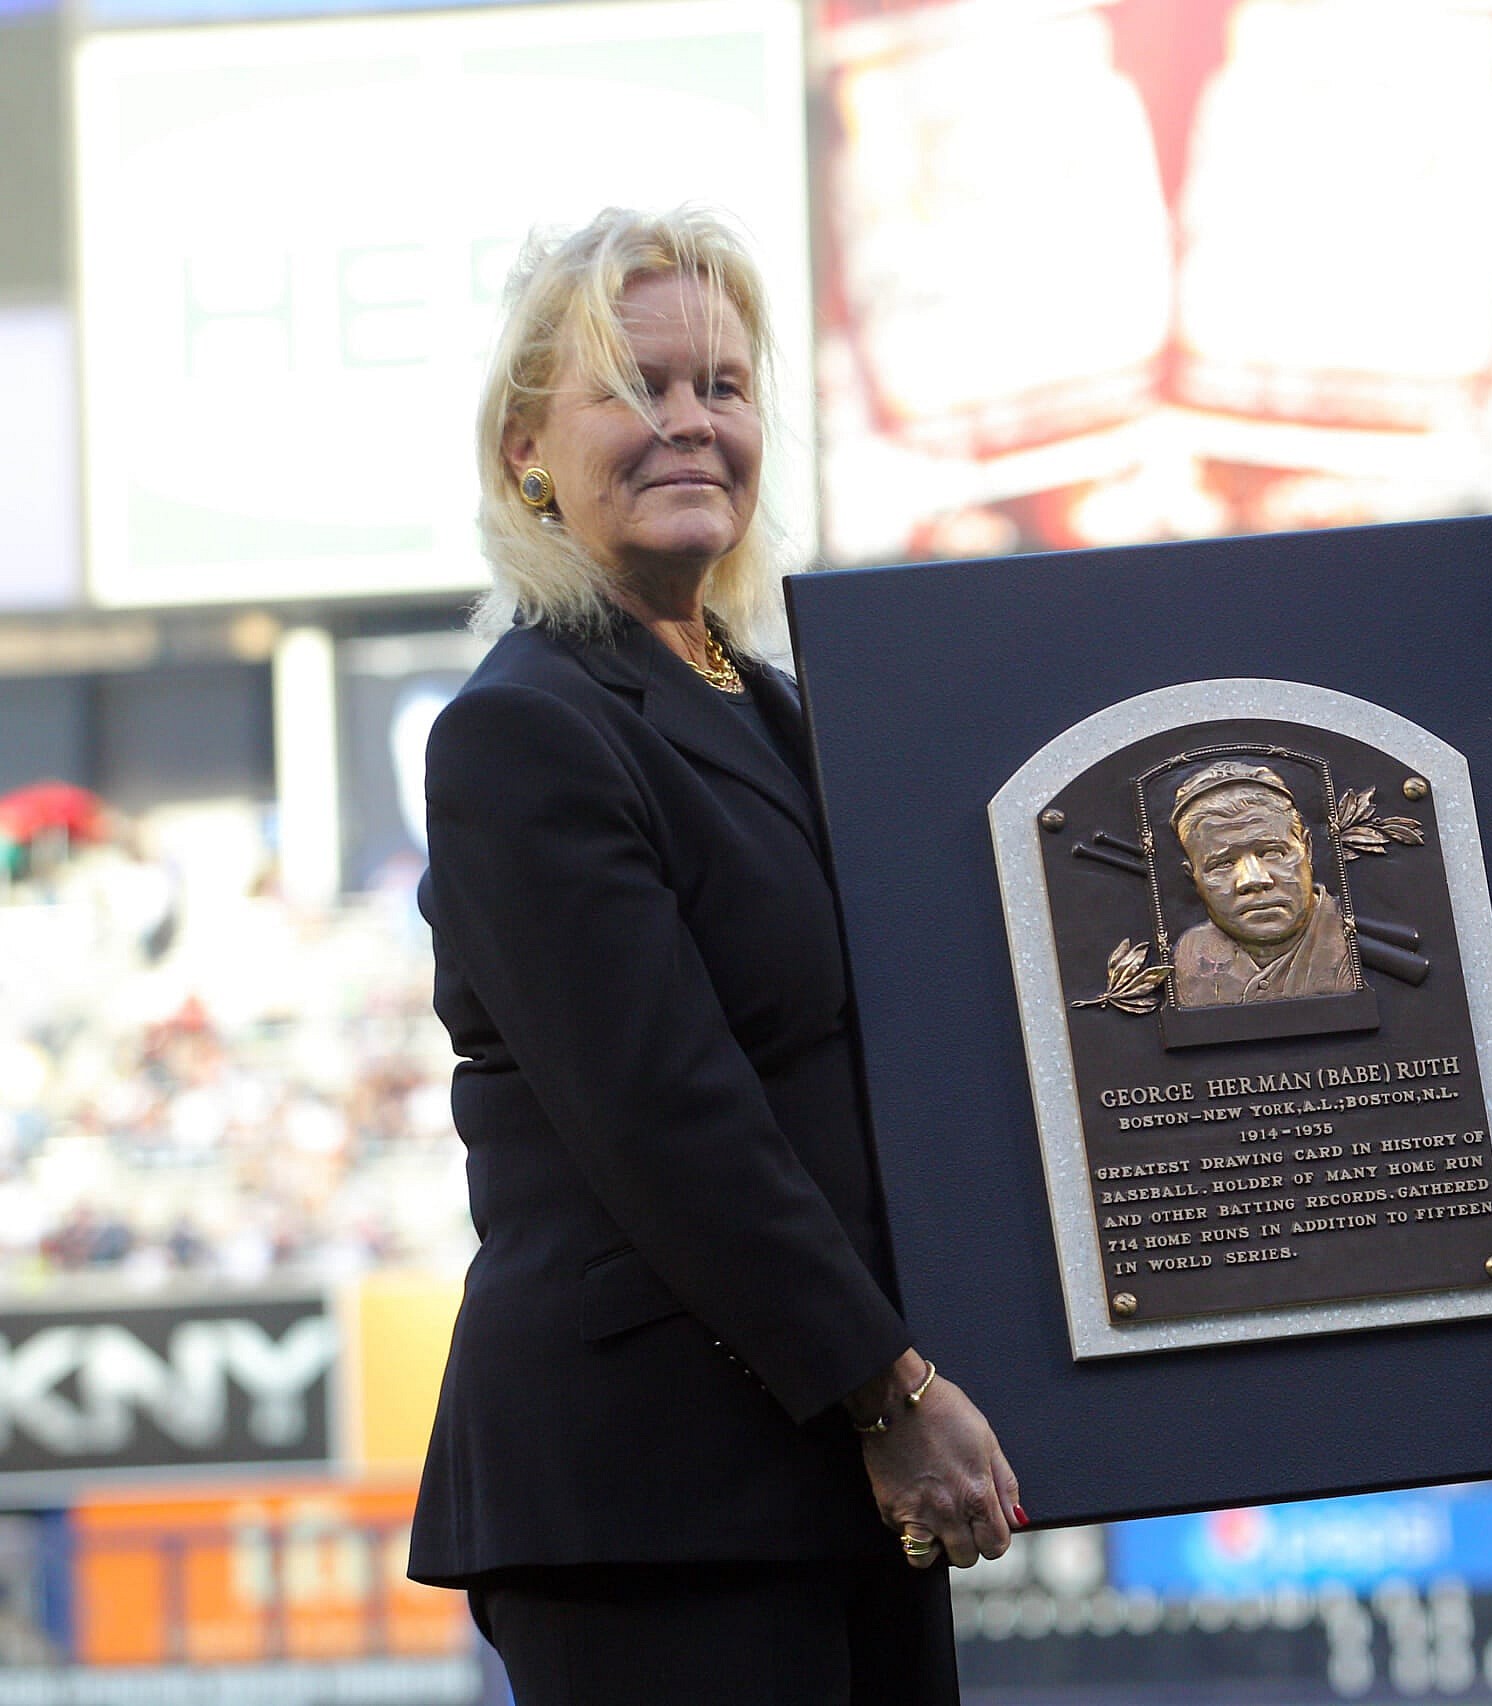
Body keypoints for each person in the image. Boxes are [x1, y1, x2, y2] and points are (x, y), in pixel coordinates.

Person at [406, 209, 1019, 1705]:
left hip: (826, 1474)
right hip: (658, 1500)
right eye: (637, 384)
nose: (691, 422)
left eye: (724, 389)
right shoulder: (525, 729)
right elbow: (672, 1116)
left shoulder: (782, 706)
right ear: (524, 455)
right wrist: (895, 1391)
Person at [1168, 761, 1359, 1005]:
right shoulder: (1189, 955)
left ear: (1307, 849)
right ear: (1193, 878)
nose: (1254, 879)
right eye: (1223, 864)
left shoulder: (1354, 948)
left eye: (1272, 853)